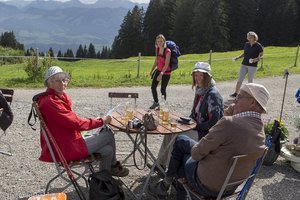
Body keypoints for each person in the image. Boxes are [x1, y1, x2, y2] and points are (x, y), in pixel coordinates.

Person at [149, 83, 269, 199]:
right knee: (184, 149)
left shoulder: (230, 123)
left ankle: (165, 187)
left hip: (207, 184)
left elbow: (197, 153)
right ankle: (167, 187)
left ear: (252, 102)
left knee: (181, 143)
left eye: (240, 96)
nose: (235, 100)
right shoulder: (260, 131)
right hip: (231, 186)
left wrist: (226, 116)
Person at [38, 66, 129, 177]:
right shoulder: (50, 102)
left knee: (108, 150)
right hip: (65, 148)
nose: (62, 83)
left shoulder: (56, 98)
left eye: (63, 80)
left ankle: (104, 181)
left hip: (67, 141)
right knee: (108, 133)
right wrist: (101, 121)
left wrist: (96, 122)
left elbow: (71, 121)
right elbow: (75, 123)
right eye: (57, 80)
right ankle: (114, 166)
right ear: (49, 84)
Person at [156, 62, 224, 168]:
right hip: (196, 128)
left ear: (207, 76)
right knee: (170, 132)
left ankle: (170, 168)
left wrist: (194, 126)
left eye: (201, 75)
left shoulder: (212, 94)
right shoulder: (200, 90)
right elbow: (194, 115)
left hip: (206, 135)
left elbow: (214, 123)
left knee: (176, 136)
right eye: (196, 75)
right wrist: (184, 122)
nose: (198, 78)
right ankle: (161, 164)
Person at [230, 31, 264, 98]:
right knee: (240, 79)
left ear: (254, 37)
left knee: (250, 81)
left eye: (251, 37)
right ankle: (236, 93)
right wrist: (237, 58)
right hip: (244, 64)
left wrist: (254, 60)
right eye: (248, 37)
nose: (249, 38)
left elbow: (261, 56)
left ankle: (251, 95)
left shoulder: (258, 46)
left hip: (253, 66)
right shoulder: (246, 44)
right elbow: (244, 54)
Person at [149, 34, 172, 110]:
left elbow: (166, 64)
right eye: (158, 41)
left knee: (162, 89)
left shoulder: (168, 51)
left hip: (166, 72)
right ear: (156, 42)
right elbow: (156, 60)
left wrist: (161, 74)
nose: (159, 43)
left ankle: (163, 105)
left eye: (161, 41)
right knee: (153, 87)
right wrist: (152, 70)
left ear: (164, 41)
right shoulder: (157, 49)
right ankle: (156, 102)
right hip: (158, 71)